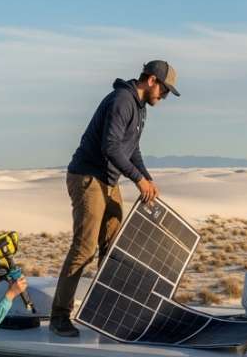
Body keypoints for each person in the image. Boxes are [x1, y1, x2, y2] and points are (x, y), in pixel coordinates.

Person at [50, 59, 181, 337]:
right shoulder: (122, 100)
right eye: (165, 90)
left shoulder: (139, 108)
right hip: (89, 177)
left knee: (113, 248)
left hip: (109, 180)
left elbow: (131, 149)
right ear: (151, 81)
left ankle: (106, 313)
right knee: (84, 249)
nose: (164, 96)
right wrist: (137, 179)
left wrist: (146, 177)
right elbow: (110, 146)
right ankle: (59, 316)